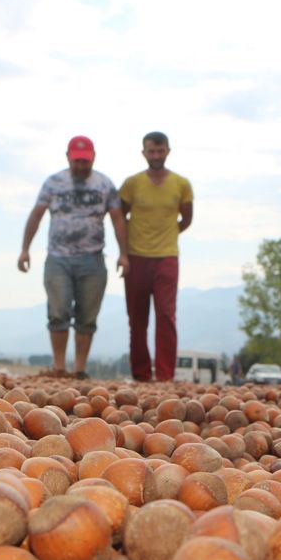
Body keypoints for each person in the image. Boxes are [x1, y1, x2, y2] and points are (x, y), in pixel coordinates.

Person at [18, 135, 129, 379]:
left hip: (93, 258)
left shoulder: (104, 184)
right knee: (58, 310)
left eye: (85, 161)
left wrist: (124, 254)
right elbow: (36, 215)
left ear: (93, 158)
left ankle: (79, 368)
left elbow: (118, 218)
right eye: (77, 161)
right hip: (58, 257)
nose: (81, 166)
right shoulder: (53, 183)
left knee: (87, 315)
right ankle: (59, 366)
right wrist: (25, 249)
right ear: (68, 157)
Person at [120, 131, 193, 381]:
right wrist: (125, 252)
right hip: (136, 256)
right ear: (144, 153)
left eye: (160, 151)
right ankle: (141, 375)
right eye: (151, 151)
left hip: (167, 257)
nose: (156, 156)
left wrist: (169, 234)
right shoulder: (132, 184)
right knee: (137, 320)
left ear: (168, 152)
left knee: (165, 316)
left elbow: (186, 218)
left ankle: (164, 376)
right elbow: (120, 217)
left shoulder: (181, 184)